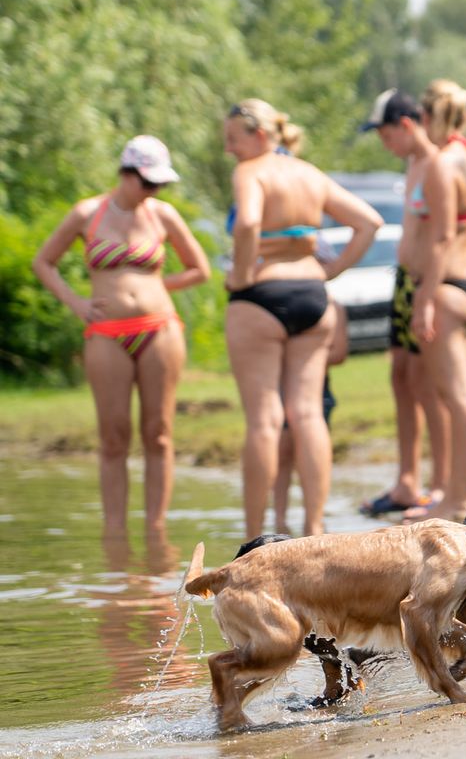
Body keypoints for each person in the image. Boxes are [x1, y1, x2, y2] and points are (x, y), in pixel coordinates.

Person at [33, 135, 211, 541]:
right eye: (147, 183)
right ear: (126, 174)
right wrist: (76, 302)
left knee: (159, 433)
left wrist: (156, 287)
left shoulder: (162, 215)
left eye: (158, 185)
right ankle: (114, 534)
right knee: (113, 436)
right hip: (107, 333)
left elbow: (199, 268)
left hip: (159, 330)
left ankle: (156, 532)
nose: (153, 191)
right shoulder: (87, 213)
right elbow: (43, 262)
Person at [223, 99, 380, 538]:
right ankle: (314, 530)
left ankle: (254, 537)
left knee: (264, 419)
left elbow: (248, 222)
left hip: (260, 294)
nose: (228, 150)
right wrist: (330, 270)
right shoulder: (309, 173)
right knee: (308, 413)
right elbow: (368, 223)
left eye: (232, 140)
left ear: (258, 136)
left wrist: (239, 273)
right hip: (313, 293)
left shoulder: (251, 172)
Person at [358, 82, 466, 522]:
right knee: (459, 396)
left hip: (444, 285)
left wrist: (424, 301)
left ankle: (456, 500)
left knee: (457, 397)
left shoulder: (440, 164)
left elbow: (439, 238)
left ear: (430, 117)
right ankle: (453, 495)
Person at [272, 297, 348, 533]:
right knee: (282, 455)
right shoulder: (276, 306)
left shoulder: (332, 307)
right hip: (280, 390)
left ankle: (313, 520)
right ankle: (279, 519)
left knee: (310, 454)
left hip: (315, 391)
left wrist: (301, 357)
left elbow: (340, 353)